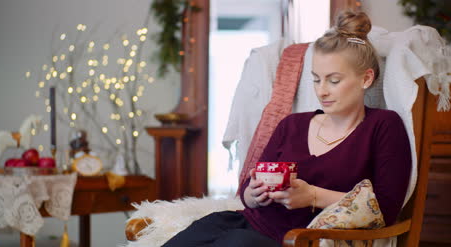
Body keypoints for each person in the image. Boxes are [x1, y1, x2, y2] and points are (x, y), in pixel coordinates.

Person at [162, 10, 411, 247]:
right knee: (200, 232)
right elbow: (249, 193)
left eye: (334, 80)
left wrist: (313, 196)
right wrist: (253, 194)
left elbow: (386, 209)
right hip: (247, 224)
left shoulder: (383, 126)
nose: (321, 90)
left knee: (236, 243)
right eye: (316, 79)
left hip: (300, 240)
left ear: (366, 79)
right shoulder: (292, 124)